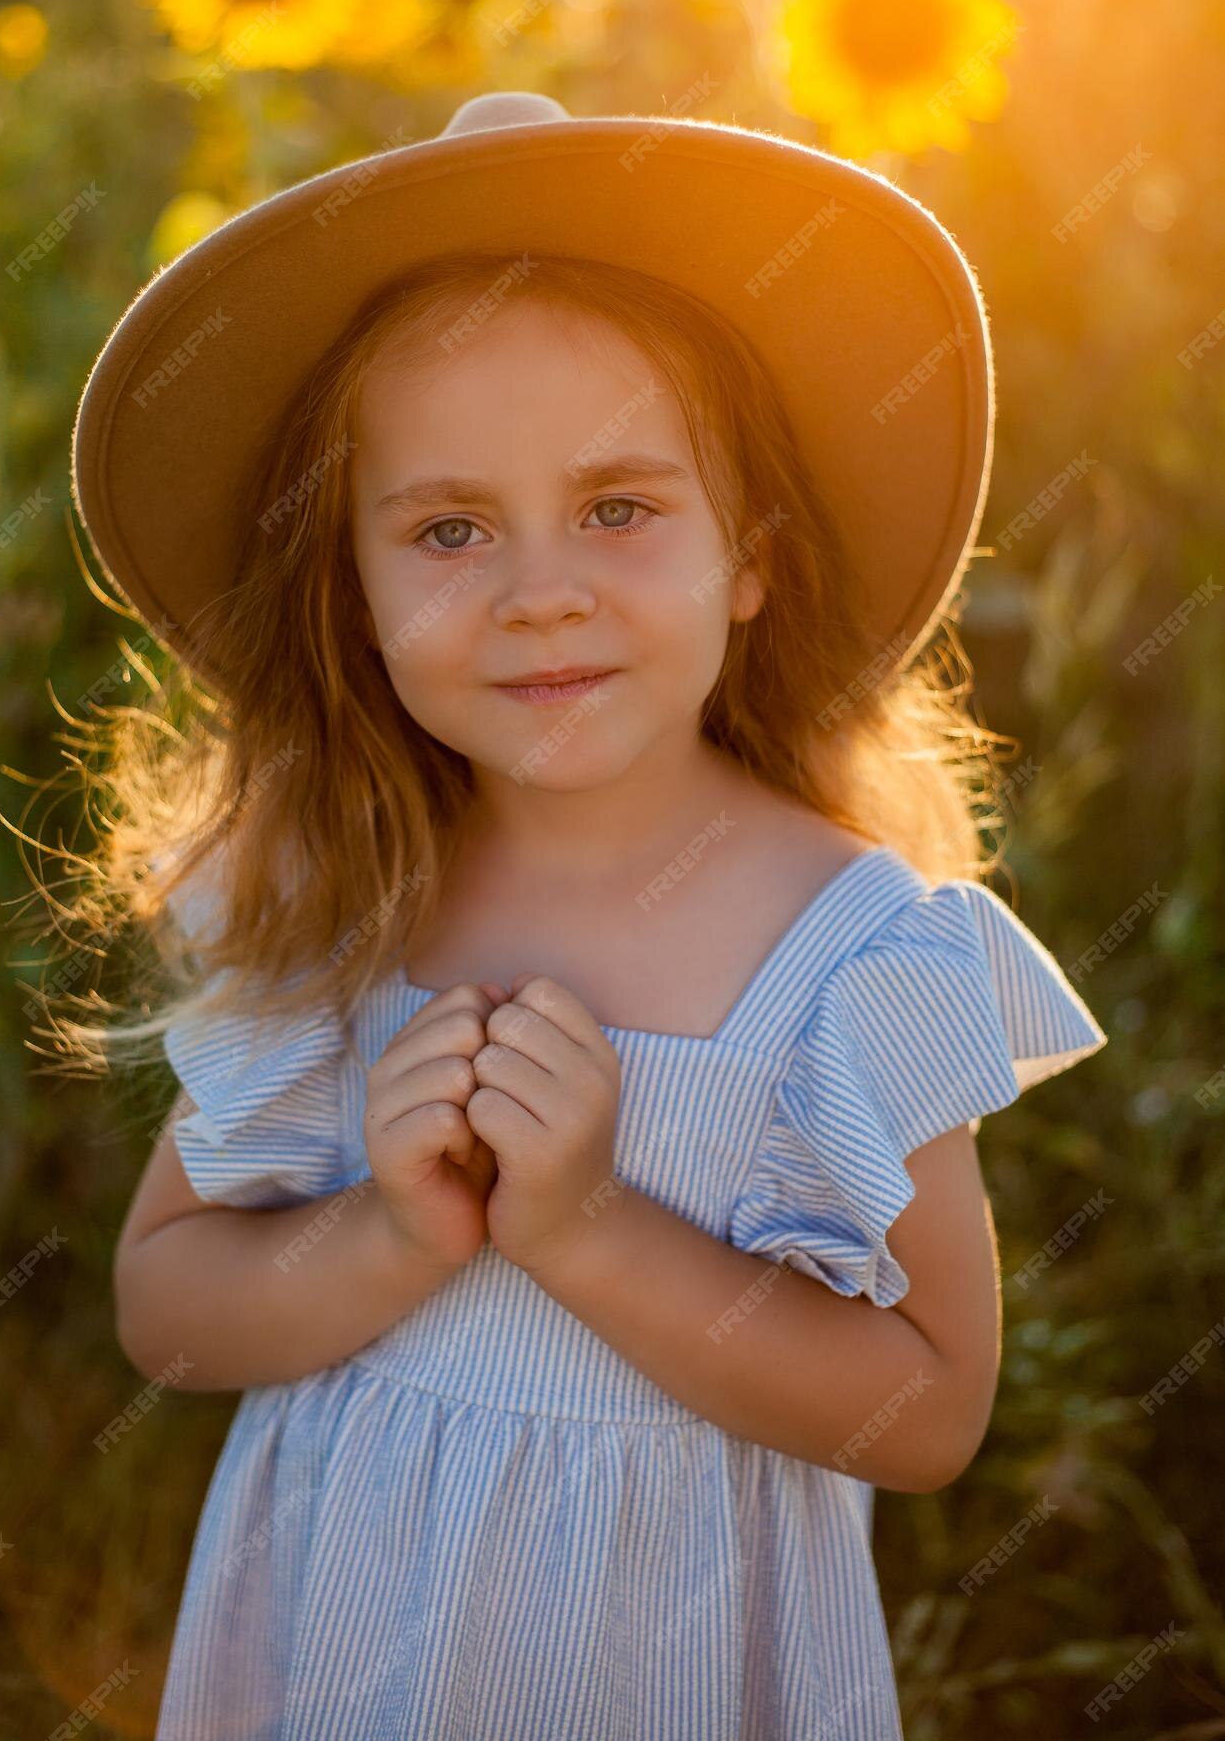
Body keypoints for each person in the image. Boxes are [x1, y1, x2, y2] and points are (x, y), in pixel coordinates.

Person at [65, 91, 1108, 1739]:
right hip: (348, 1657)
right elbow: (168, 1312)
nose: (538, 588)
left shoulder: (842, 950)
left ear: (746, 560)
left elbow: (922, 1412)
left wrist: (584, 1232)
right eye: (448, 529)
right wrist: (392, 1234)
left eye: (619, 509)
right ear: (354, 591)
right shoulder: (338, 903)